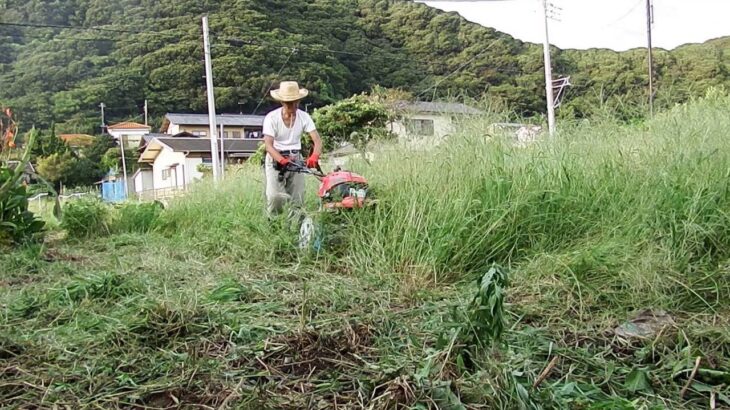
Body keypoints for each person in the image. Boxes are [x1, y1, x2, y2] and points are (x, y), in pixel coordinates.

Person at [262, 81, 323, 217]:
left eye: (295, 102)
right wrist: (281, 160)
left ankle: (296, 228)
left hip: (295, 158)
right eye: (289, 103)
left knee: (298, 198)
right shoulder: (271, 118)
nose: (293, 105)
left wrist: (315, 156)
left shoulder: (304, 117)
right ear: (282, 102)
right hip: (275, 159)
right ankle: (274, 224)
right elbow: (268, 145)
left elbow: (317, 140)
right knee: (274, 197)